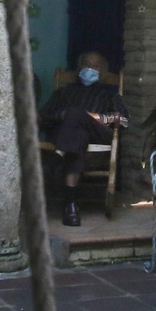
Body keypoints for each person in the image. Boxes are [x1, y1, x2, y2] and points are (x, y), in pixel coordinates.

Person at [38, 51, 129, 227]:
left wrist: (92, 117)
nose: (90, 69)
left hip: (98, 134)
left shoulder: (109, 96)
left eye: (95, 66)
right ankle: (70, 205)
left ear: (101, 71)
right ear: (79, 68)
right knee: (78, 135)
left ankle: (57, 157)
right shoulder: (64, 93)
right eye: (86, 64)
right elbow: (44, 116)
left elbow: (123, 120)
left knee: (76, 113)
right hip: (68, 136)